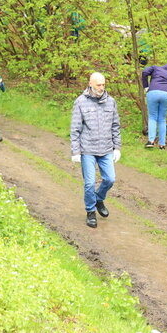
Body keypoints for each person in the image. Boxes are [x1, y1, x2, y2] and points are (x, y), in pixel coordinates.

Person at [70, 72, 121, 228]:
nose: (101, 87)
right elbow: (75, 128)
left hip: (106, 149)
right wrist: (75, 151)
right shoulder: (80, 102)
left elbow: (115, 126)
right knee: (89, 183)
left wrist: (117, 147)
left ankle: (99, 198)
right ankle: (91, 211)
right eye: (98, 84)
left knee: (110, 179)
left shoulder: (111, 102)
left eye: (103, 84)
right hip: (87, 150)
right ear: (90, 84)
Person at [141, 63, 167, 149]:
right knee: (162, 119)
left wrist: (146, 86)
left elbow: (145, 72)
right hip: (166, 95)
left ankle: (151, 141)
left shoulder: (155, 68)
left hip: (153, 92)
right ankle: (162, 144)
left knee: (152, 117)